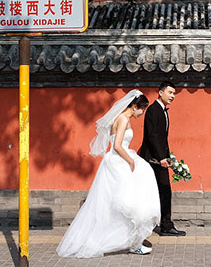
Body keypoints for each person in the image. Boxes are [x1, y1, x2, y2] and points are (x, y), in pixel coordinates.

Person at [56, 90, 160, 258]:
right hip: (120, 160)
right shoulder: (123, 119)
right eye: (142, 109)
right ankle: (132, 242)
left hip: (115, 160)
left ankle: (133, 241)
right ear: (134, 106)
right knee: (130, 201)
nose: (142, 114)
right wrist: (131, 161)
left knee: (119, 202)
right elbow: (118, 146)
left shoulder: (120, 118)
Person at [139, 81, 186, 236]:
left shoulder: (162, 111)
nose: (172, 96)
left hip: (159, 158)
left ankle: (162, 224)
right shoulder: (153, 110)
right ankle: (165, 226)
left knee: (161, 191)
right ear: (160, 92)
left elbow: (162, 138)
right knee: (163, 191)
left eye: (174, 93)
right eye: (170, 92)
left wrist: (168, 156)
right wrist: (161, 158)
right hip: (153, 159)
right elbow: (152, 136)